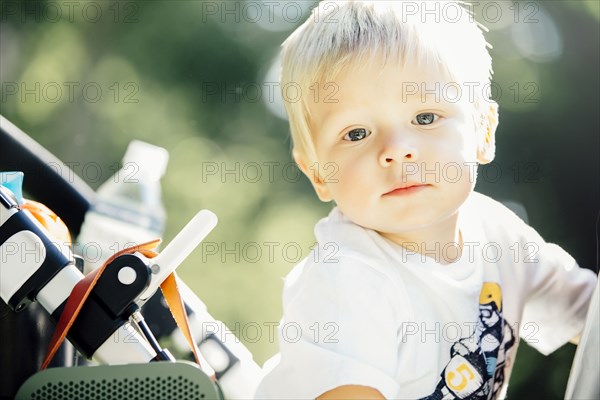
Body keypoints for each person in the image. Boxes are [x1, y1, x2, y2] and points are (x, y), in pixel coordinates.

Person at [256, 1, 598, 399]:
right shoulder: (347, 279)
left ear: (484, 132)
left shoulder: (501, 238)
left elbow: (588, 317)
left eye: (424, 118)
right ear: (318, 172)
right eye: (356, 133)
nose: (397, 150)